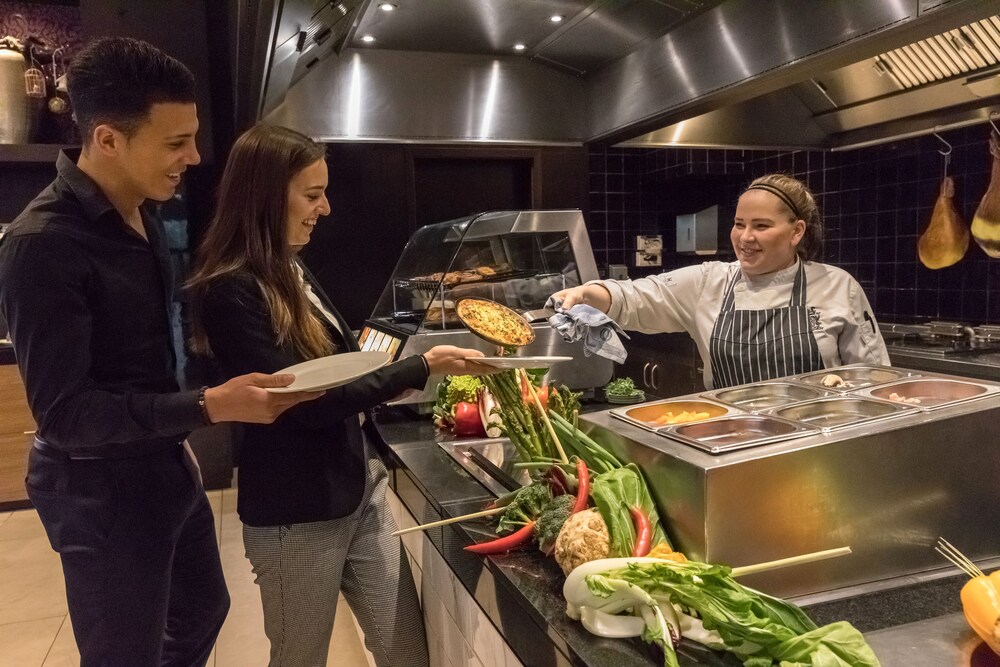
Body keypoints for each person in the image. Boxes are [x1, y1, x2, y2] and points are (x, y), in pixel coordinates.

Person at [0, 38, 324, 666]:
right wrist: (205, 406)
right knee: (125, 653)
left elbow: (146, 360)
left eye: (193, 137)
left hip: (160, 465)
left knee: (205, 609)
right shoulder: (42, 244)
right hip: (99, 487)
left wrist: (177, 438)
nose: (195, 157)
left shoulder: (144, 212)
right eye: (175, 142)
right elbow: (67, 416)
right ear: (107, 139)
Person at [186, 123, 491, 667]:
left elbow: (337, 365)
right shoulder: (231, 289)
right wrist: (418, 366)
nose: (324, 209)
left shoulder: (290, 265)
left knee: (406, 653)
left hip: (359, 490)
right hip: (294, 517)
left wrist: (392, 374)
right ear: (263, 195)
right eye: (311, 194)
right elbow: (305, 402)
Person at [553, 173, 888, 389]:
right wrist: (589, 294)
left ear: (796, 231)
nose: (745, 237)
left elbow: (875, 379)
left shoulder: (838, 287)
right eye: (739, 224)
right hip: (731, 444)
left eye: (761, 226)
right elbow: (639, 295)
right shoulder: (709, 282)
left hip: (818, 446)